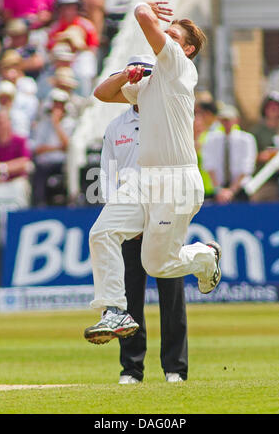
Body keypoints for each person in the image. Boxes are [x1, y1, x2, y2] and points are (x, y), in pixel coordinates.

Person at [84, 1, 222, 345]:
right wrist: (125, 75)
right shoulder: (149, 84)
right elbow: (102, 94)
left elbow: (144, 16)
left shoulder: (179, 67)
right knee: (102, 233)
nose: (165, 37)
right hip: (144, 179)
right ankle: (114, 310)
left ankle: (205, 255)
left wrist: (147, 8)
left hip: (177, 181)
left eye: (173, 35)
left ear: (186, 49)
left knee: (158, 265)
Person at [100, 55, 188, 383]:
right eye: (133, 78)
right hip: (129, 215)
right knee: (130, 295)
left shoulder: (166, 117)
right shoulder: (115, 126)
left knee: (171, 293)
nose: (139, 84)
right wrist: (120, 217)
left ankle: (175, 369)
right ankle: (131, 368)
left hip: (164, 212)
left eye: (144, 77)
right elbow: (107, 175)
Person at [202, 104, 257, 204]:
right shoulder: (211, 139)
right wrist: (219, 190)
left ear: (236, 120)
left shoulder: (246, 139)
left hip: (241, 190)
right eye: (223, 120)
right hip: (217, 191)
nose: (226, 123)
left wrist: (231, 191)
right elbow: (209, 166)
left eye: (229, 119)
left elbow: (246, 167)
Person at [32, 87, 76, 205]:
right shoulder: (42, 124)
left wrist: (56, 124)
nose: (58, 108)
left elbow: (68, 146)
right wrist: (57, 148)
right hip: (45, 163)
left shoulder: (70, 124)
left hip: (63, 162)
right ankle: (39, 204)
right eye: (55, 105)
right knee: (38, 169)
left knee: (71, 169)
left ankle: (70, 202)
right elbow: (37, 149)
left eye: (60, 105)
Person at [250, 91, 279, 202]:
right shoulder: (256, 132)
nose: (274, 109)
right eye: (271, 106)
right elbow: (248, 158)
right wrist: (262, 156)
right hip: (263, 181)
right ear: (265, 108)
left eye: (278, 106)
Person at [0, 108, 32, 209]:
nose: (0, 126)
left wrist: (1, 167)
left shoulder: (20, 140)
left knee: (20, 187)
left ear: (9, 122)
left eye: (2, 122)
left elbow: (24, 163)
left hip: (15, 181)